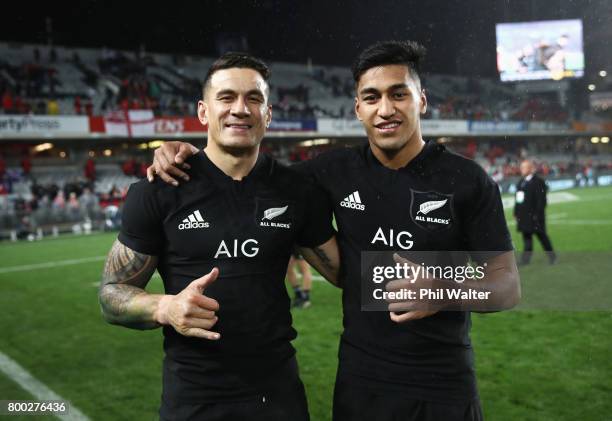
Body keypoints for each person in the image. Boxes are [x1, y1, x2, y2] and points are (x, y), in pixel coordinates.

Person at [149, 40, 521, 421]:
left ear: (421, 100)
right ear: (358, 108)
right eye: (372, 98)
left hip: (444, 387)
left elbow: (507, 285)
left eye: (399, 94)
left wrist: (442, 291)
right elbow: (247, 172)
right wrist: (185, 152)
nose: (386, 109)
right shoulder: (331, 173)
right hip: (361, 386)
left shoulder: (467, 180)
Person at [98, 52, 340, 421]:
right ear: (203, 112)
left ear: (268, 114)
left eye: (253, 99)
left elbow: (347, 273)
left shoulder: (296, 190)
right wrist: (164, 307)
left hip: (279, 398)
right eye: (226, 97)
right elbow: (111, 294)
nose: (240, 109)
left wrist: (444, 284)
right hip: (194, 400)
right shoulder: (158, 190)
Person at [514, 159, 556, 265]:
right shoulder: (521, 182)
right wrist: (516, 212)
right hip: (524, 217)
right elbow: (518, 199)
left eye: (524, 167)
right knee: (527, 239)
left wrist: (537, 214)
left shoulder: (538, 182)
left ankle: (552, 257)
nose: (521, 169)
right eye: (521, 167)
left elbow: (541, 200)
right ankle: (525, 260)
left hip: (535, 217)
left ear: (531, 168)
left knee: (542, 237)